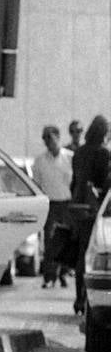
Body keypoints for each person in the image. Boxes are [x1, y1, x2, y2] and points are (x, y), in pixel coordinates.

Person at [70, 114, 111, 314]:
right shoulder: (103, 154)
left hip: (78, 208)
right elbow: (105, 185)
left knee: (81, 255)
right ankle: (89, 300)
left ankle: (79, 298)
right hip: (95, 211)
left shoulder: (79, 153)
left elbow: (74, 182)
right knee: (94, 257)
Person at [31, 124, 75, 287]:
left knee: (66, 240)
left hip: (66, 203)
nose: (47, 141)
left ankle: (63, 274)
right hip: (50, 204)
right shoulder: (40, 161)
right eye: (44, 138)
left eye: (50, 137)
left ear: (58, 137)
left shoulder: (70, 158)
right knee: (50, 241)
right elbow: (37, 184)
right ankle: (49, 277)